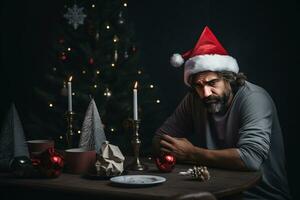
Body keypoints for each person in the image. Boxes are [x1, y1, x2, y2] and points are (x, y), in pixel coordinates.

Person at [153, 26, 291, 200]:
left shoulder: (254, 99)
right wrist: (172, 149)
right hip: (216, 191)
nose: (206, 93)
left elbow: (250, 159)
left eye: (213, 83)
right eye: (199, 85)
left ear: (229, 79)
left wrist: (191, 153)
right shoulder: (195, 99)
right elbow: (160, 139)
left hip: (259, 195)